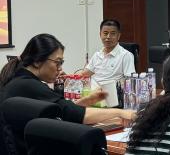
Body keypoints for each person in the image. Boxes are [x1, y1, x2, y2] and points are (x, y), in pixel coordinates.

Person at [0, 33, 134, 124]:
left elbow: (60, 110)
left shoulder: (19, 79)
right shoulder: (30, 86)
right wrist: (120, 113)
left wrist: (86, 101)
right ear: (37, 61)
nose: (60, 69)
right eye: (57, 62)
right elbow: (78, 116)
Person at [80, 19, 136, 83]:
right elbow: (84, 74)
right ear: (100, 35)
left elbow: (130, 81)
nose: (108, 37)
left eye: (112, 34)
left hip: (112, 88)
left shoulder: (126, 55)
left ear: (118, 36)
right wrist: (70, 77)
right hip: (93, 88)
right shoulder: (97, 55)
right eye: (105, 33)